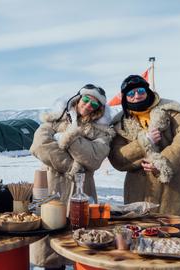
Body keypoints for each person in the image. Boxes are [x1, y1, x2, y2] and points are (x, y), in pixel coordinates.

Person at [30, 84, 115, 269]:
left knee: (82, 245)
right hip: (51, 187)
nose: (88, 105)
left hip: (82, 189)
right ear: (78, 99)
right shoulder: (55, 119)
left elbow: (93, 159)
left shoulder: (103, 131)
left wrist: (68, 137)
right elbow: (40, 146)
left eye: (94, 104)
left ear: (99, 109)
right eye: (86, 99)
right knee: (50, 243)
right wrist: (72, 165)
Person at [109, 75, 180, 218]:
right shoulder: (120, 124)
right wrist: (144, 142)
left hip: (175, 187)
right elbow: (117, 157)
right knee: (142, 233)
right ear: (125, 98)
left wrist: (162, 162)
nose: (137, 96)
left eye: (141, 91)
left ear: (147, 91)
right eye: (131, 93)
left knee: (178, 231)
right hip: (139, 191)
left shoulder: (170, 110)